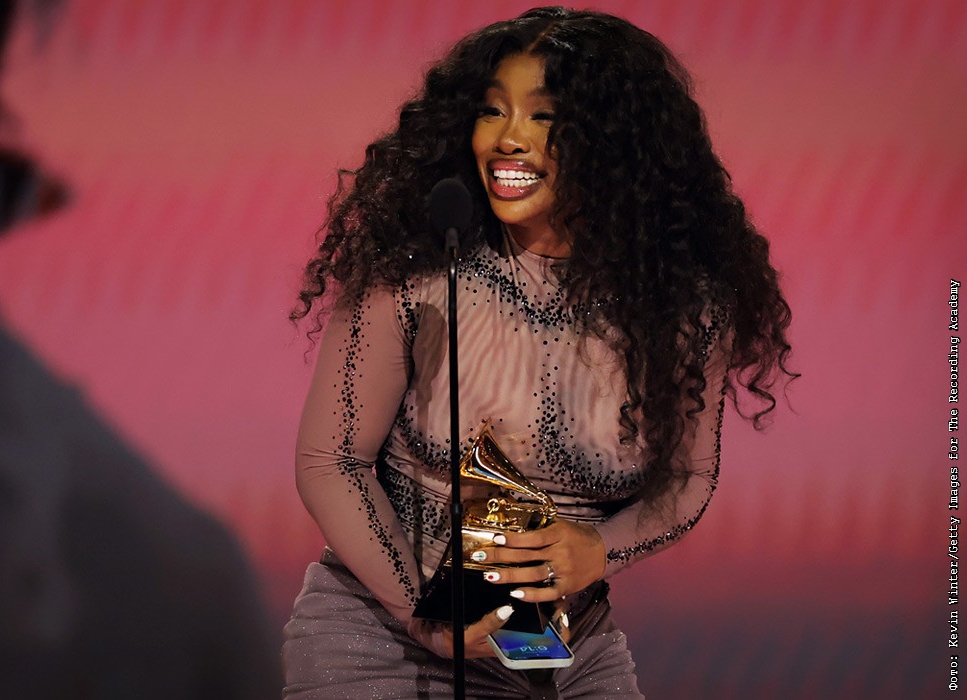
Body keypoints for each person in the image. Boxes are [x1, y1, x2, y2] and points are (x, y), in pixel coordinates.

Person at [282, 7, 796, 699]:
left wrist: (599, 549)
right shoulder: (415, 277)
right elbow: (331, 460)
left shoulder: (685, 308)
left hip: (566, 655)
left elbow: (688, 478)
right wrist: (422, 616)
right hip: (388, 644)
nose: (508, 139)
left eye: (544, 117)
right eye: (492, 111)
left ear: (616, 144)